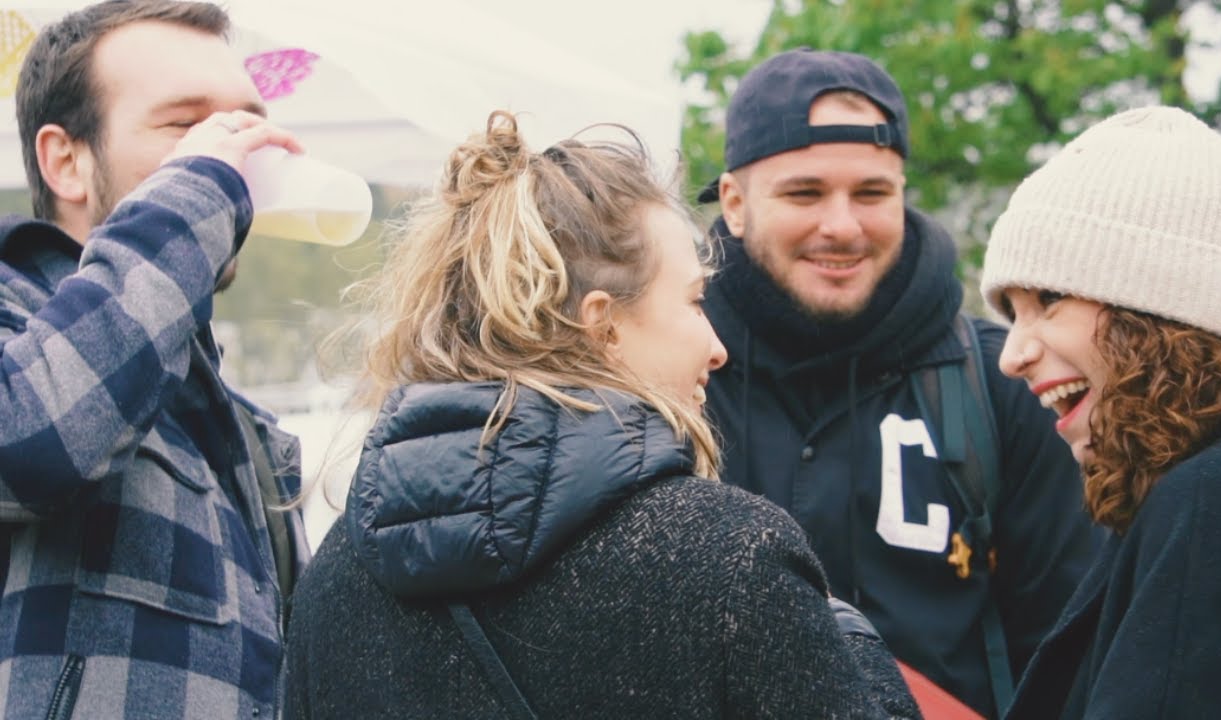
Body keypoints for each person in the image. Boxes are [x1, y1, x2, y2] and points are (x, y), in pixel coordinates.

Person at [284, 111, 921, 719]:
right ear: (604, 325)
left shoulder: (339, 573)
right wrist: (853, 647)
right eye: (696, 302)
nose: (717, 345)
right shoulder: (734, 560)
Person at [697, 48, 1101, 717]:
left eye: (872, 193)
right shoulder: (666, 384)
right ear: (735, 205)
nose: (843, 226)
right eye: (804, 192)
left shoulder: (1004, 384)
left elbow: (1071, 661)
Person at [0, 2, 310, 718]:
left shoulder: (254, 438)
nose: (239, 157)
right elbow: (33, 443)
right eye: (188, 126)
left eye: (244, 125)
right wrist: (199, 183)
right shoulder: (16, 336)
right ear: (66, 161)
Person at [981, 105, 1221, 719]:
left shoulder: (1220, 503)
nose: (1013, 355)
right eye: (1011, 313)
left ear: (1163, 304)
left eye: (1050, 298)